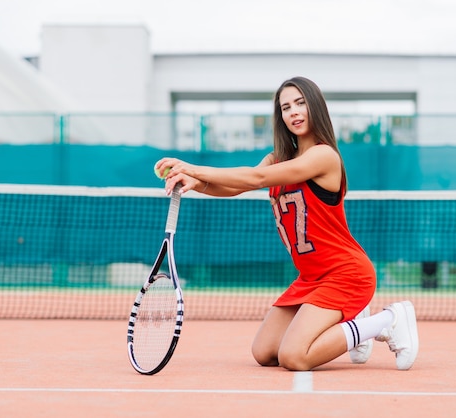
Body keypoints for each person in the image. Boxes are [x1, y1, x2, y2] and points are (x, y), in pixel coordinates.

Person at [155, 76, 419, 371]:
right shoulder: (277, 158)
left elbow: (257, 178)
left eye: (300, 103)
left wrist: (193, 166)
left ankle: (386, 321)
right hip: (310, 278)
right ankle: (353, 320)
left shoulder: (323, 156)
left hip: (346, 274)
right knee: (264, 352)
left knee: (294, 356)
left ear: (315, 107)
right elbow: (236, 186)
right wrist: (196, 182)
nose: (293, 112)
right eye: (285, 107)